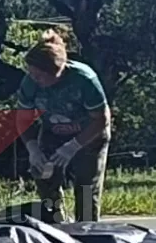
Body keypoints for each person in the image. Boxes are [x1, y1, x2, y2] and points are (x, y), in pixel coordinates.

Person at [15, 31, 111, 223]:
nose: (34, 78)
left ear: (56, 72)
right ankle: (55, 222)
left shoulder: (84, 80)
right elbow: (23, 119)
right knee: (44, 175)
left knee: (85, 188)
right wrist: (33, 149)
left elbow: (101, 120)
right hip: (53, 132)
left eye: (39, 75)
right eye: (31, 73)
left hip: (88, 135)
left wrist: (73, 146)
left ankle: (86, 231)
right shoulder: (30, 83)